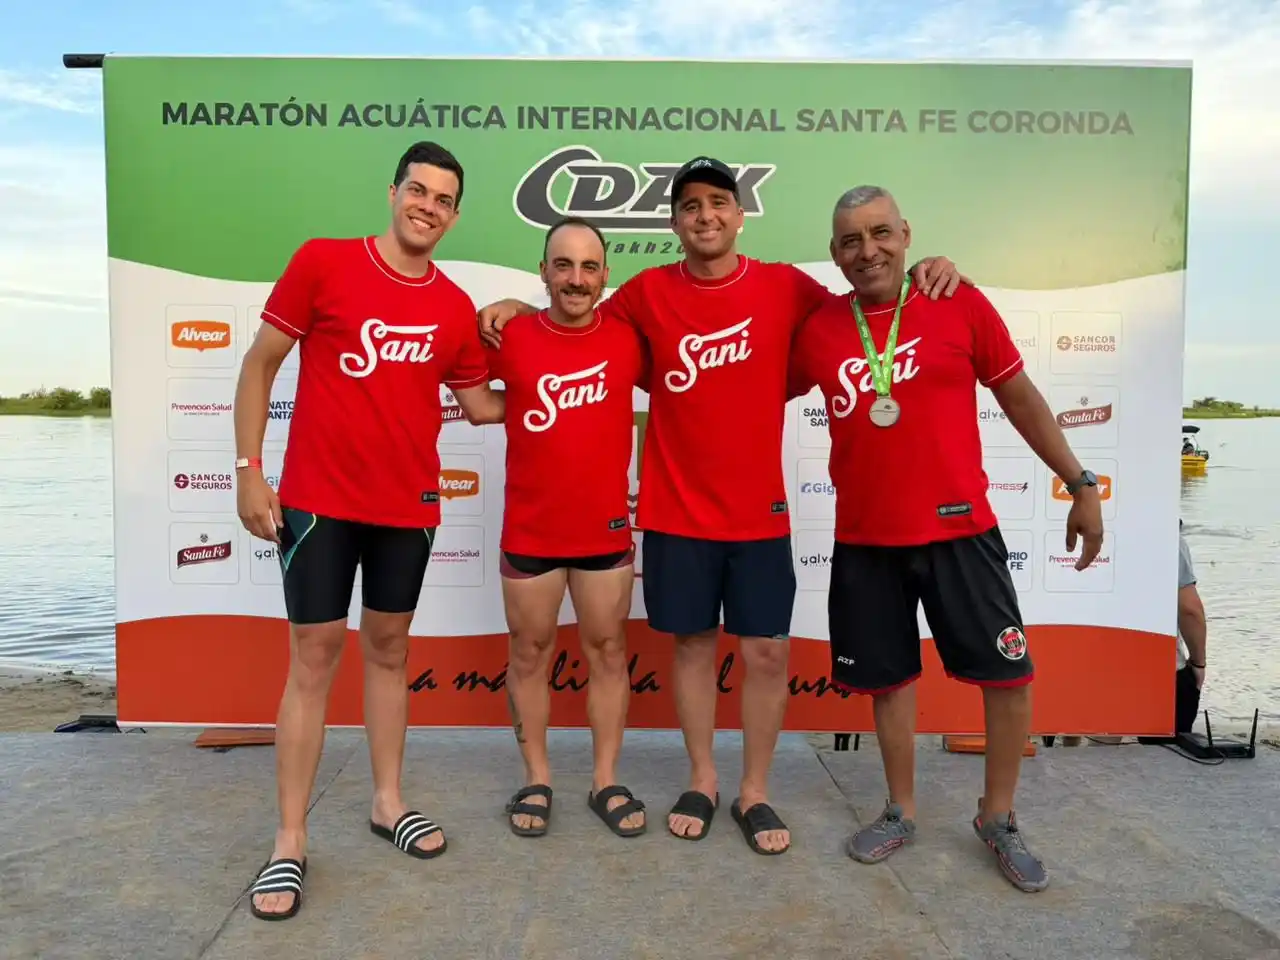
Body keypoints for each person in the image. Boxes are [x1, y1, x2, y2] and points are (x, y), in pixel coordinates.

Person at [477, 156, 967, 856]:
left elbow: (865, 303)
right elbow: (571, 320)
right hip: (677, 514)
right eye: (689, 206)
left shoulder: (783, 286)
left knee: (767, 655)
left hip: (761, 515)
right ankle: (703, 780)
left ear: (739, 215)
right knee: (694, 650)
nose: (704, 215)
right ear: (674, 223)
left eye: (718, 202)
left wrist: (925, 269)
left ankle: (754, 791)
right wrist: (519, 308)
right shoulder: (644, 293)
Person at [785, 184, 1105, 892]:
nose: (867, 251)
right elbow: (739, 390)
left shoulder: (956, 300)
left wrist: (1080, 484)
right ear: (834, 255)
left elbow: (1019, 398)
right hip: (867, 540)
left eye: (879, 234)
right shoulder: (820, 329)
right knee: (890, 682)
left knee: (1008, 675)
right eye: (849, 241)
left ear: (905, 234)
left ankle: (998, 816)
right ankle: (900, 809)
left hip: (962, 531)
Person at [232, 140, 503, 921]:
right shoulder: (324, 262)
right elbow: (260, 364)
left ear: (455, 215)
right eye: (418, 190)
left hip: (407, 512)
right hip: (318, 505)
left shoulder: (453, 307)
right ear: (393, 193)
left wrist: (549, 355)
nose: (428, 206)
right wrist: (250, 469)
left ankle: (388, 802)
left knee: (388, 655)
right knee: (312, 663)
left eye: (444, 199)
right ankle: (289, 842)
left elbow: (482, 405)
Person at [486, 216, 651, 839]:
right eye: (563, 265)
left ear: (607, 274)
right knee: (529, 653)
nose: (576, 279)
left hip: (604, 532)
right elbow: (474, 403)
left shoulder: (632, 339)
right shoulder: (511, 335)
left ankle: (605, 779)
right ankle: (537, 777)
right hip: (530, 531)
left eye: (588, 267)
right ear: (544, 272)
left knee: (608, 651)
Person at [1173, 520, 1208, 732]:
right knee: (1169, 754)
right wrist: (1198, 664)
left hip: (1091, 662)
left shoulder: (1074, 529)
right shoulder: (1167, 538)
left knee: (1105, 739)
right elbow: (1189, 610)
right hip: (1157, 669)